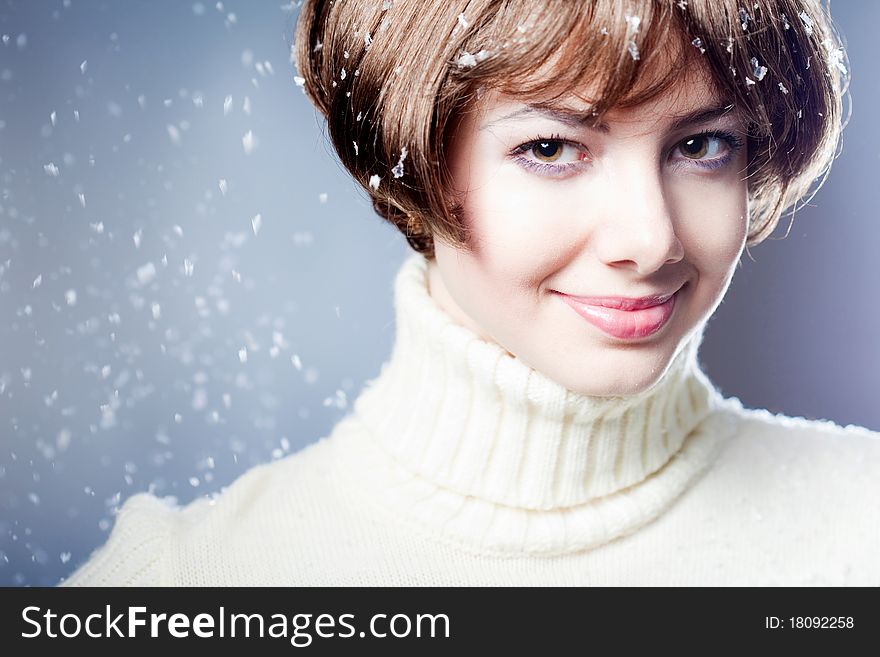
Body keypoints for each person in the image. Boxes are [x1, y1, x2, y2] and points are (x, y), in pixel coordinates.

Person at [61, 0, 879, 586]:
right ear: (415, 153)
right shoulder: (188, 585)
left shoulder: (861, 529)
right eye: (553, 146)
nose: (650, 238)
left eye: (701, 144)